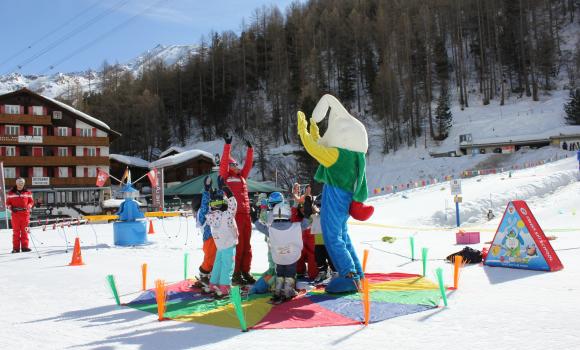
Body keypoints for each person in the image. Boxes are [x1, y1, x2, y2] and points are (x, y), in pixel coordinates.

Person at [297, 94, 374, 293]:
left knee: (332, 236)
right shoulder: (352, 156)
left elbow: (315, 149)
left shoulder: (338, 155)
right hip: (344, 197)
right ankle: (357, 273)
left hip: (335, 196)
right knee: (342, 235)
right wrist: (314, 130)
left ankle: (348, 275)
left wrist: (303, 131)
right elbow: (321, 146)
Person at [220, 133, 255, 285]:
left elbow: (248, 164)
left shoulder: (242, 176)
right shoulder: (225, 177)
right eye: (232, 164)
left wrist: (250, 149)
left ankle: (245, 271)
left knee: (247, 245)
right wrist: (227, 145)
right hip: (235, 215)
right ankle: (235, 274)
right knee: (238, 246)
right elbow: (223, 163)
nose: (236, 166)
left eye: (235, 164)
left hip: (246, 214)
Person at [254, 195, 303, 303]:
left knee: (280, 272)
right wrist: (307, 214)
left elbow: (260, 227)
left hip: (278, 256)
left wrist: (254, 219)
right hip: (291, 256)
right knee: (290, 272)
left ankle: (278, 291)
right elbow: (307, 223)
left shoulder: (271, 229)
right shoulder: (295, 226)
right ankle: (288, 291)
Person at [202, 179, 238, 298]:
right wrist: (229, 192)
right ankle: (224, 288)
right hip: (228, 244)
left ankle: (213, 285)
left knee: (218, 264)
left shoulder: (211, 216)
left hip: (220, 246)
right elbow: (233, 206)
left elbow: (208, 206)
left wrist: (209, 192)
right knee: (227, 266)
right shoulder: (226, 215)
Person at [194, 176, 217, 292]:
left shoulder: (209, 211)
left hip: (214, 238)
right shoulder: (202, 213)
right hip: (209, 238)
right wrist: (207, 191)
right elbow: (204, 204)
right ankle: (204, 277)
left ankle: (209, 277)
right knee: (210, 259)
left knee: (213, 259)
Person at [294, 185, 318, 280]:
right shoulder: (311, 214)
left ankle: (302, 271)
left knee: (303, 253)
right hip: (308, 237)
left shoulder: (303, 214)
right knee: (311, 254)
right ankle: (312, 273)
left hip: (305, 236)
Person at [6, 177, 34, 253]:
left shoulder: (28, 192)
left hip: (25, 214)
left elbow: (31, 202)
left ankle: (25, 247)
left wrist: (28, 207)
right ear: (16, 183)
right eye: (19, 182)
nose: (20, 184)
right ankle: (16, 248)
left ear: (24, 183)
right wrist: (11, 208)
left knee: (25, 231)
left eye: (22, 182)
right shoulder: (10, 192)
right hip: (15, 214)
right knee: (16, 231)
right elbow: (7, 203)